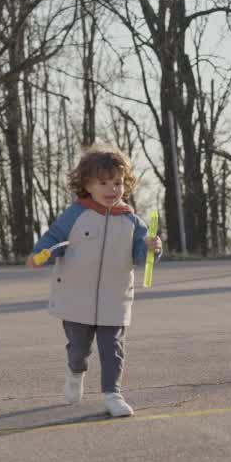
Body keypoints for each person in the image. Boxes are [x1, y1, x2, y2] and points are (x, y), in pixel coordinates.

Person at [27, 145, 162, 418]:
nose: (112, 189)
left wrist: (152, 248)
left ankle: (113, 395)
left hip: (115, 297)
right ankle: (75, 373)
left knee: (112, 349)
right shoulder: (75, 214)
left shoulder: (131, 221)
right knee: (79, 349)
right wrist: (40, 254)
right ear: (87, 184)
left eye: (118, 183)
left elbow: (139, 255)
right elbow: (54, 239)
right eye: (103, 183)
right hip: (76, 297)